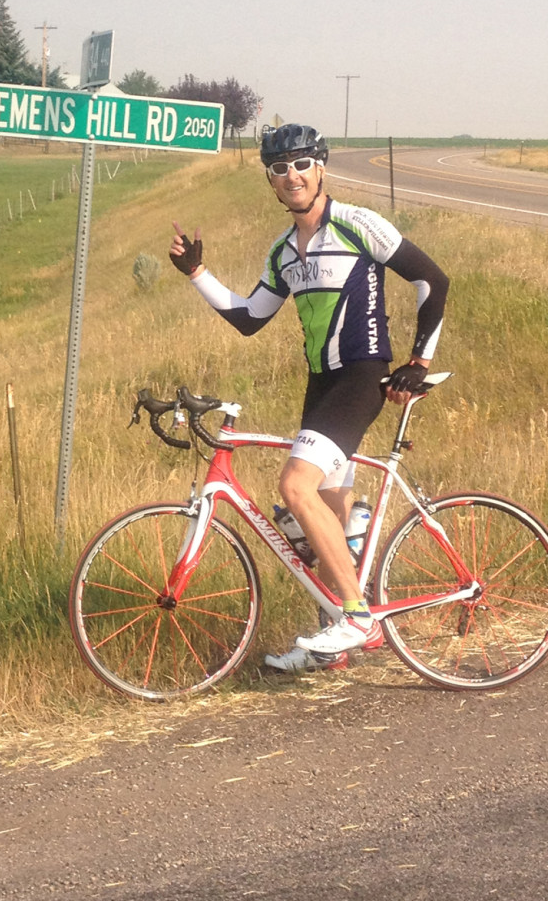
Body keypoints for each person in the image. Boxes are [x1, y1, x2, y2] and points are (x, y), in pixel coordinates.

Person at [169, 123, 449, 673]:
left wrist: (418, 361)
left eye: (301, 164)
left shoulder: (357, 223)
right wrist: (197, 273)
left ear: (321, 168)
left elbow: (432, 281)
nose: (291, 176)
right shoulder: (282, 252)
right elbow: (250, 318)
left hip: (360, 378)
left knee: (295, 487)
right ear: (270, 181)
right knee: (326, 519)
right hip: (320, 384)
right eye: (279, 168)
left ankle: (358, 617)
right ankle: (336, 641)